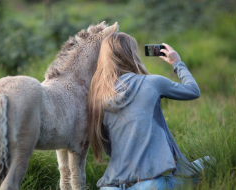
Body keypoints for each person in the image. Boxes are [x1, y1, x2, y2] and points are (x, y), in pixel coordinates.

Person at [87, 32, 208, 190]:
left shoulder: (98, 96)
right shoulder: (153, 82)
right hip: (153, 183)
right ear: (132, 55)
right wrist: (177, 63)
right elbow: (193, 91)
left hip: (114, 184)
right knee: (210, 160)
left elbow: (108, 147)